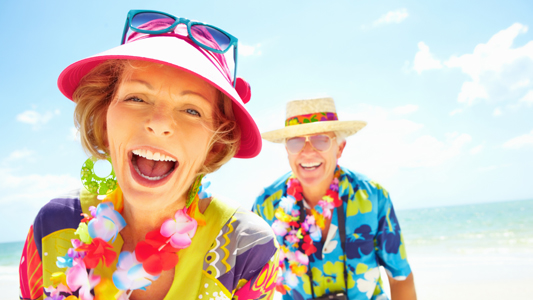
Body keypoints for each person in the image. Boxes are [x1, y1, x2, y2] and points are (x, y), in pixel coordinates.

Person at [19, 10, 278, 300]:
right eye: (136, 98)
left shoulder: (248, 248)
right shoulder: (53, 225)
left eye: (192, 109)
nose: (159, 123)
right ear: (104, 118)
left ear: (215, 144)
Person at [253, 97, 416, 300]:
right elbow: (253, 284)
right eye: (295, 142)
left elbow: (399, 277)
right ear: (287, 150)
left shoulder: (373, 196)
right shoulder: (266, 203)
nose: (307, 152)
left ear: (339, 148)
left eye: (320, 140)